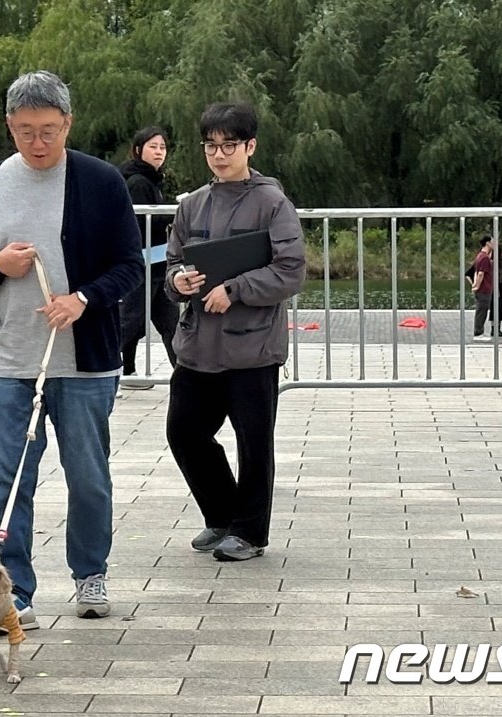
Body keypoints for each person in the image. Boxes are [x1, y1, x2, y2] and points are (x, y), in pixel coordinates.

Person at [0, 71, 142, 627]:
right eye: (27, 130)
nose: (38, 142)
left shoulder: (103, 181)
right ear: (9, 126)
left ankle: (90, 574)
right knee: (9, 478)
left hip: (84, 365)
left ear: (68, 124)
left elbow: (130, 266)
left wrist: (83, 298)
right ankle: (12, 591)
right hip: (10, 361)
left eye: (50, 130)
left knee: (88, 475)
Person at [164, 102, 305, 562]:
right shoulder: (192, 205)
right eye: (211, 146)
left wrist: (237, 288)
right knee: (184, 432)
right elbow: (172, 263)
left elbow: (291, 270)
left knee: (253, 442)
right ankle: (222, 514)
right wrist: (177, 282)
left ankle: (249, 532)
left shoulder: (272, 203)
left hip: (252, 348)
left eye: (229, 146)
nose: (219, 155)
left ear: (250, 146)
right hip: (197, 346)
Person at [117, 126, 178, 391]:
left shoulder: (151, 180)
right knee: (132, 321)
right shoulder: (138, 182)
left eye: (162, 147)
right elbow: (142, 222)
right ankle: (109, 370)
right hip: (143, 263)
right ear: (139, 149)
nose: (159, 152)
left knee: (170, 322)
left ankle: (182, 376)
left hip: (158, 262)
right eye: (153, 146)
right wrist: (174, 214)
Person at [471, 235, 497, 340]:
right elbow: (481, 273)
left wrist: (474, 284)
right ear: (487, 243)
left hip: (482, 288)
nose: (494, 244)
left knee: (481, 310)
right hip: (484, 288)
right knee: (482, 311)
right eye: (493, 242)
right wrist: (477, 286)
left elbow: (476, 272)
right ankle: (478, 333)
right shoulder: (485, 258)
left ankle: (479, 331)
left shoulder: (479, 256)